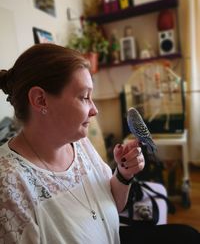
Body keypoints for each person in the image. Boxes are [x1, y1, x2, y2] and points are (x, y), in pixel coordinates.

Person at [0, 44, 199, 244]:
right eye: (84, 97)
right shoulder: (9, 186)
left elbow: (114, 204)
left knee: (188, 236)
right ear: (40, 99)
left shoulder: (79, 143)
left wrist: (123, 174)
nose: (95, 110)